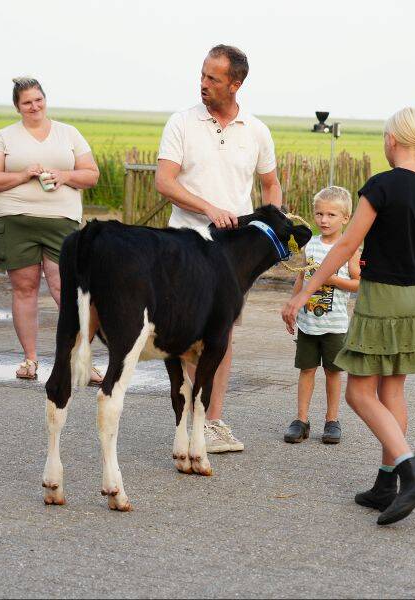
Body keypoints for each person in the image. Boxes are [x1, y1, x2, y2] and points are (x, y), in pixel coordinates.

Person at [282, 107, 415, 526]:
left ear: (393, 140)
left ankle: (413, 472)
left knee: (359, 394)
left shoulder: (381, 186)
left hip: (382, 301)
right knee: (393, 394)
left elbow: (344, 247)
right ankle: (385, 484)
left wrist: (305, 292)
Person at [156, 44, 282, 453]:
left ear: (236, 83)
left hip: (232, 256)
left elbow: (270, 185)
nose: (204, 84)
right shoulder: (182, 122)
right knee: (189, 335)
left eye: (213, 78)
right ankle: (190, 417)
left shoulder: (257, 130)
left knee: (222, 337)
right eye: (203, 75)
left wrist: (269, 229)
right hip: (186, 246)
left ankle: (212, 422)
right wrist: (208, 207)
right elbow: (165, 182)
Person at [0, 78, 101, 381]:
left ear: (45, 99)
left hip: (62, 222)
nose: (34, 106)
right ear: (17, 107)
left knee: (65, 290)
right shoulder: (3, 137)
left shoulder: (69, 133)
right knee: (25, 289)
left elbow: (92, 175)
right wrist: (22, 175)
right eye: (27, 102)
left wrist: (65, 175)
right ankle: (30, 360)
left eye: (38, 100)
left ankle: (81, 360)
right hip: (15, 221)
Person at [284, 186, 360, 444]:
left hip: (335, 325)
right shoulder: (311, 245)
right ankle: (301, 420)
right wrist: (292, 304)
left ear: (345, 218)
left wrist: (333, 279)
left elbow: (358, 284)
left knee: (332, 372)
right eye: (319, 214)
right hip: (308, 323)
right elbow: (302, 278)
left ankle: (332, 421)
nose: (324, 220)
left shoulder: (348, 248)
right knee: (306, 369)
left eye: (331, 215)